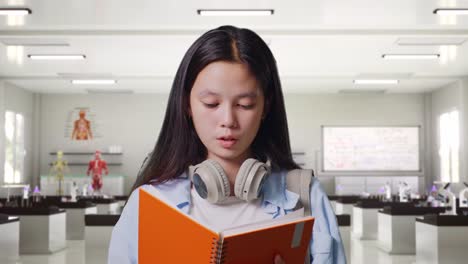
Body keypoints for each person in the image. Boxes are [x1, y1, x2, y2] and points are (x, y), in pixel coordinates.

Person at [108, 25, 346, 264]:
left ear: (266, 107)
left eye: (244, 105)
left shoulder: (306, 195)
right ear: (187, 105)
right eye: (211, 104)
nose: (228, 121)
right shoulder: (150, 203)